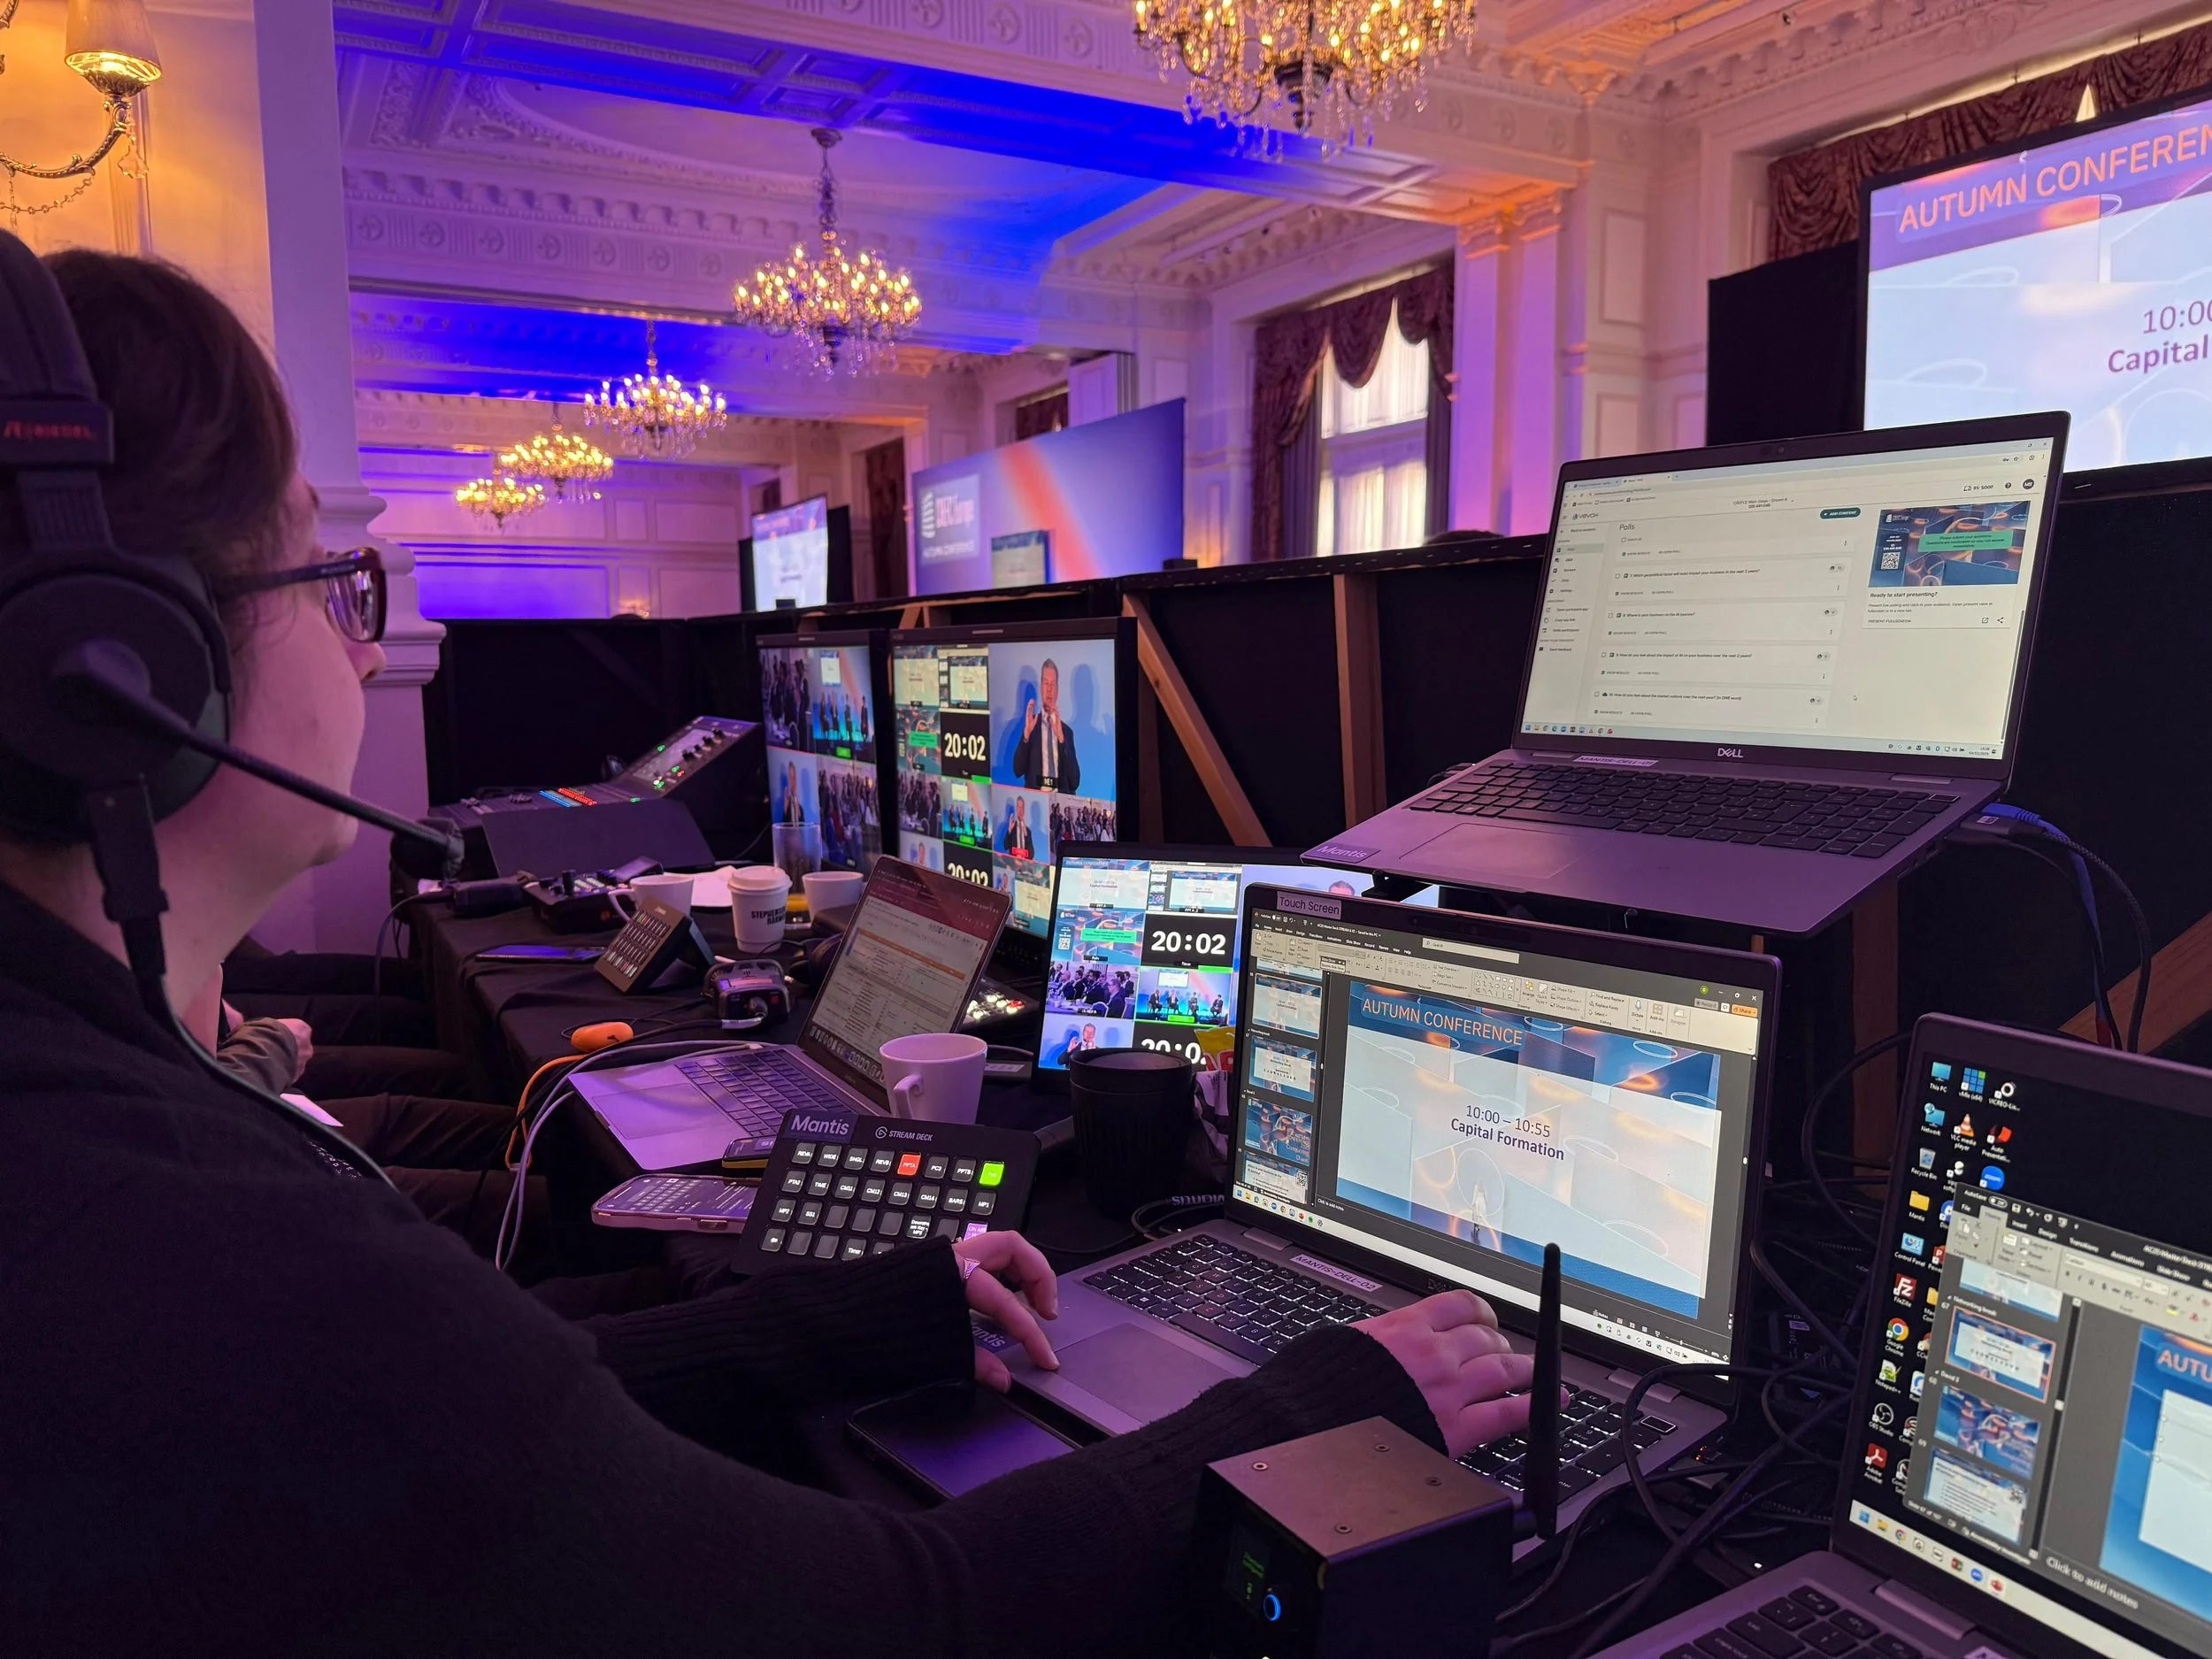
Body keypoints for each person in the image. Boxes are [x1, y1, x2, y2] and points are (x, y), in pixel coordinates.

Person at [0, 248, 1534, 1652]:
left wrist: (863, 1315)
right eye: (331, 577)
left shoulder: (89, 1128)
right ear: (123, 673)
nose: (365, 645)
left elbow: (491, 1417)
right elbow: (896, 1612)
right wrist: (1322, 1403)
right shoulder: (192, 1248)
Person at [1010, 657, 1079, 794]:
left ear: (1057, 691)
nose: (1049, 689)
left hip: (1059, 800)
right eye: (1046, 683)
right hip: (1036, 799)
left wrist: (1062, 740)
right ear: (1041, 688)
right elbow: (1017, 770)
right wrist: (1026, 736)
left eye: (1053, 684)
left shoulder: (1066, 732)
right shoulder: (1031, 726)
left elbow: (1075, 782)